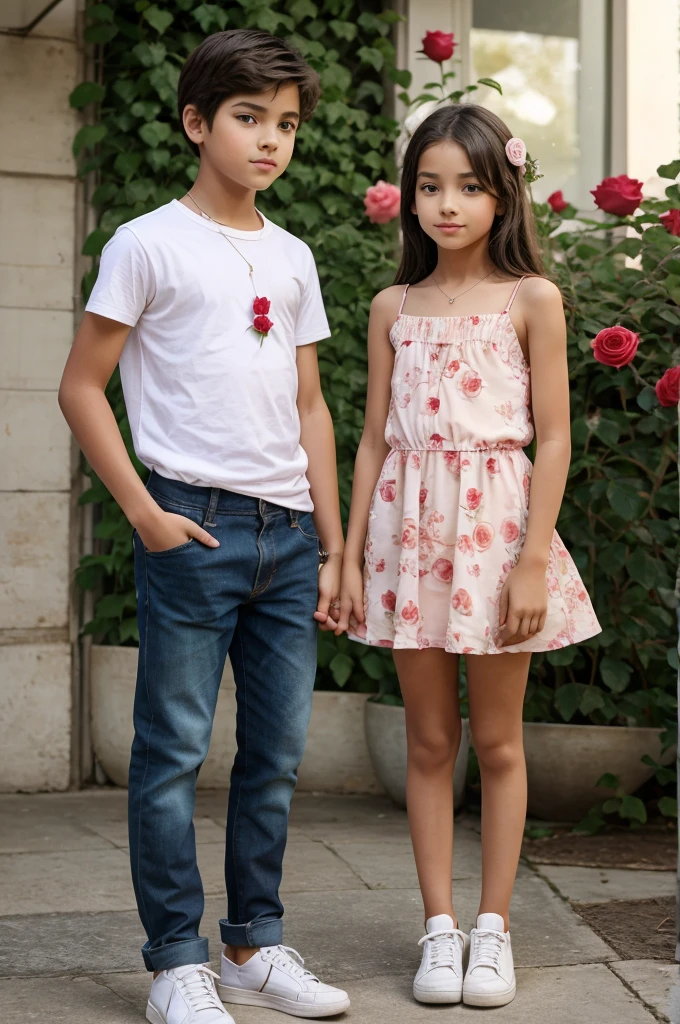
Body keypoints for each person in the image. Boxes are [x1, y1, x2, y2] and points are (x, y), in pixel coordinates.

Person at [59, 29, 350, 1024]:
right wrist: (145, 513)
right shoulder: (147, 243)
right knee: (172, 752)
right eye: (248, 117)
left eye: (287, 124)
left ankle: (252, 946)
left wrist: (333, 539)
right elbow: (81, 386)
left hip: (287, 532)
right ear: (196, 122)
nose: (271, 139)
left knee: (274, 755)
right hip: (193, 526)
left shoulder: (295, 254)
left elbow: (310, 404)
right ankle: (173, 959)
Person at [336, 104, 601, 1009]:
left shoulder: (533, 298)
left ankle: (495, 932)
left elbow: (556, 439)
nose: (447, 204)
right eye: (429, 186)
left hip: (497, 534)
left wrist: (532, 560)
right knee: (427, 740)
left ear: (502, 194)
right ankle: (438, 930)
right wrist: (347, 557)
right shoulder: (392, 307)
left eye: (469, 186)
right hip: (409, 540)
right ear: (410, 198)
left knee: (495, 740)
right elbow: (373, 439)